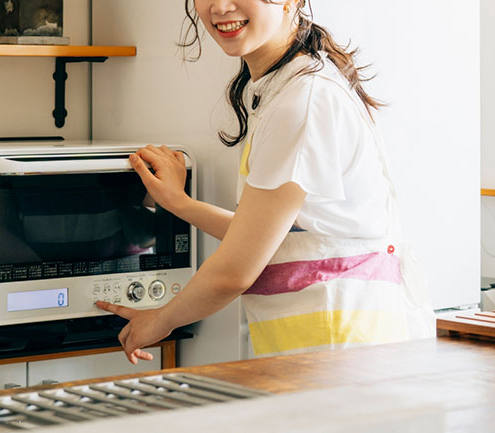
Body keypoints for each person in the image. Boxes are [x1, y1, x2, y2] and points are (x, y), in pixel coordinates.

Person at [97, 0, 436, 364]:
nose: (220, 6)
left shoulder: (301, 102)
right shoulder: (287, 88)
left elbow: (235, 271)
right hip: (321, 352)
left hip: (339, 355)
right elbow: (267, 238)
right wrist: (181, 204)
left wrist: (160, 320)